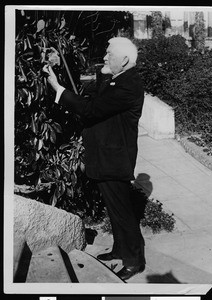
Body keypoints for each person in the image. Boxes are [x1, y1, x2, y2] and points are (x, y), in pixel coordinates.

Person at [43, 37, 145, 281]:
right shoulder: (118, 79)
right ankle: (120, 250)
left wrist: (58, 89)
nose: (104, 57)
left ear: (125, 60)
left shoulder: (127, 86)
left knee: (122, 212)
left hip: (115, 159)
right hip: (107, 157)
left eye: (109, 54)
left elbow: (91, 109)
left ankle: (134, 261)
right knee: (115, 209)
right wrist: (103, 71)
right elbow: (93, 96)